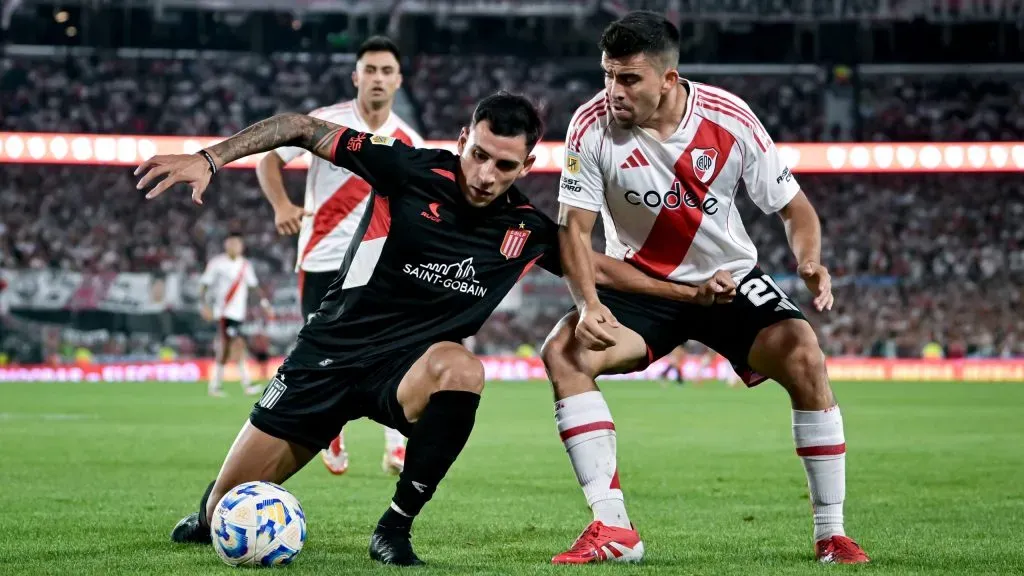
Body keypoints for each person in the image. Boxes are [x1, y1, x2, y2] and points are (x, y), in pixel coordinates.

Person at [137, 92, 707, 566]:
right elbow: (300, 128)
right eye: (479, 155)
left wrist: (688, 293)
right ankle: (211, 508)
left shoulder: (525, 229)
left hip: (406, 374)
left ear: (527, 166)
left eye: (504, 166)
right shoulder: (408, 168)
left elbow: (597, 268)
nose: (485, 175)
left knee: (463, 369)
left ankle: (394, 527)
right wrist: (211, 158)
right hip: (329, 355)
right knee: (221, 510)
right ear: (463, 140)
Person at [541, 11, 869, 565]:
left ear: (669, 78)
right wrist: (587, 304)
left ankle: (831, 534)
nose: (613, 91)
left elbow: (794, 208)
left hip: (728, 282)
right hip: (643, 284)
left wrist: (809, 260)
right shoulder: (591, 125)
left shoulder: (728, 117)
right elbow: (573, 230)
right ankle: (614, 528)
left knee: (804, 354)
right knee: (564, 352)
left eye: (629, 79)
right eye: (607, 75)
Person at [256, 35, 423, 477]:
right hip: (322, 257)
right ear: (356, 76)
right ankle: (330, 430)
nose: (378, 78)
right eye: (370, 70)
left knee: (394, 347)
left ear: (399, 80)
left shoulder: (410, 140)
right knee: (321, 354)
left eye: (387, 71)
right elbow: (268, 160)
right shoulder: (325, 122)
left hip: (379, 260)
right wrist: (281, 205)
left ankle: (396, 445)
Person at [198, 232, 273, 397]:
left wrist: (265, 304)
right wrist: (204, 306)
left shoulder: (245, 265)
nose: (234, 247)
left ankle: (215, 386)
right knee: (237, 344)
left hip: (239, 313)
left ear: (241, 246)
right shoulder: (217, 263)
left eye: (237, 244)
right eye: (231, 243)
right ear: (226, 245)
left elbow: (254, 287)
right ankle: (247, 384)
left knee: (226, 349)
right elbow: (204, 285)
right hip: (224, 312)